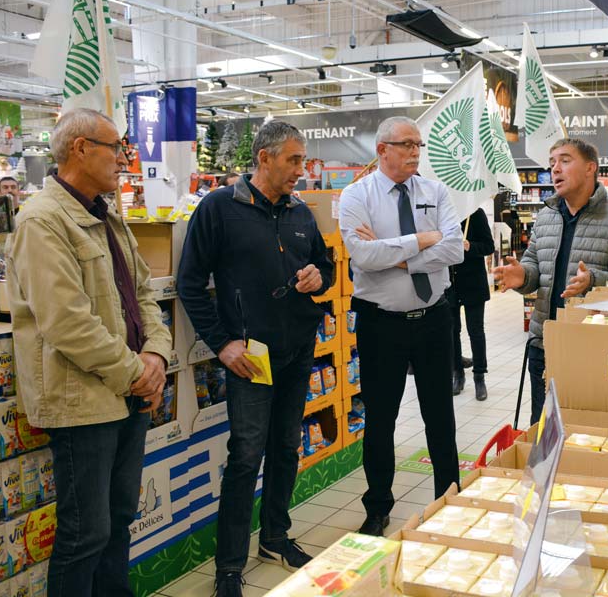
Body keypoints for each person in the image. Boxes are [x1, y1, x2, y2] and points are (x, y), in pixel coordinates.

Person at [6, 108, 173, 597]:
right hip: (83, 401)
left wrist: (157, 357)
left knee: (120, 518)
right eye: (115, 147)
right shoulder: (42, 221)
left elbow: (145, 295)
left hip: (128, 392)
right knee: (86, 533)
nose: (124, 158)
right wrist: (136, 373)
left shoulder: (108, 216)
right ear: (80, 148)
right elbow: (67, 322)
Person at [177, 120, 334, 597]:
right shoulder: (220, 208)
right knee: (246, 456)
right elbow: (189, 284)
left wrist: (317, 277)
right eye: (293, 160)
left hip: (296, 349)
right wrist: (223, 343)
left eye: (302, 160)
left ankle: (275, 538)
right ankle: (229, 566)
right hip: (250, 357)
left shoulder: (300, 211)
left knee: (286, 447)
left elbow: (325, 267)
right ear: (264, 158)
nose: (300, 170)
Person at [338, 116, 464, 537]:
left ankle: (449, 498)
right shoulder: (356, 195)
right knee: (380, 419)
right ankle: (378, 507)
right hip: (381, 325)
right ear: (382, 150)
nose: (414, 153)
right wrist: (423, 240)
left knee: (440, 415)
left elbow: (455, 249)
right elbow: (362, 255)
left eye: (418, 145)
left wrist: (397, 253)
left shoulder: (435, 191)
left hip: (433, 319)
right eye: (406, 145)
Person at [493, 138, 608, 425]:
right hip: (544, 341)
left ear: (590, 168)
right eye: (552, 163)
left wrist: (593, 281)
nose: (555, 170)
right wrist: (522, 276)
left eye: (564, 160)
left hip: (593, 345)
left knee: (588, 429)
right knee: (542, 429)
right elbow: (535, 267)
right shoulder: (546, 216)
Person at [449, 208, 495, 400]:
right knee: (452, 332)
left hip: (473, 284)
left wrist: (469, 246)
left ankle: (479, 377)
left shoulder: (475, 214)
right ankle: (458, 374)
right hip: (449, 283)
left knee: (475, 331)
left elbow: (488, 246)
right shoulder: (444, 214)